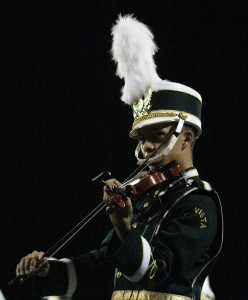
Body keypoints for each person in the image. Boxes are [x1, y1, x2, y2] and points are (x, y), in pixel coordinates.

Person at [15, 15, 223, 300]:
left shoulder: (198, 202)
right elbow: (105, 268)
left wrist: (125, 229)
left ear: (185, 138)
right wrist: (50, 271)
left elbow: (160, 273)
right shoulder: (146, 196)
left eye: (157, 135)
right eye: (143, 139)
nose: (148, 146)